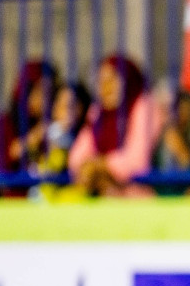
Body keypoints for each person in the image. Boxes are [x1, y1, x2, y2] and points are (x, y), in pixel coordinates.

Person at [68, 54, 163, 196]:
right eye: (100, 81)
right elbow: (76, 159)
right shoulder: (98, 112)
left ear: (128, 80)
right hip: (103, 196)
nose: (105, 87)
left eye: (112, 80)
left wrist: (101, 165)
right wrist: (93, 167)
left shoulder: (145, 107)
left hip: (138, 199)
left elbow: (137, 161)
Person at [0, 60, 57, 180]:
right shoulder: (2, 124)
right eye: (39, 91)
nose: (45, 99)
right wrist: (17, 150)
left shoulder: (55, 125)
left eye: (49, 92)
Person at [34, 81, 91, 179]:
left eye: (69, 105)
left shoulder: (86, 134)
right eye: (59, 103)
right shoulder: (46, 131)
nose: (62, 109)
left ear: (81, 109)